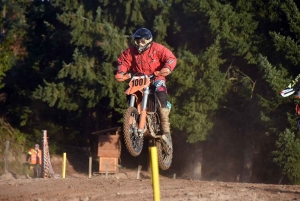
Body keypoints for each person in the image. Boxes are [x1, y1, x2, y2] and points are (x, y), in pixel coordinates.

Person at [114, 28, 177, 135]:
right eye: (137, 41)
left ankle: (165, 123)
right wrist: (121, 72)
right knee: (129, 92)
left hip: (156, 76)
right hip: (139, 79)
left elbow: (170, 58)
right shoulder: (130, 52)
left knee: (160, 89)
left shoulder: (157, 48)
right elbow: (123, 62)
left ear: (148, 41)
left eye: (142, 41)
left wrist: (167, 68)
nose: (139, 44)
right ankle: (133, 118)